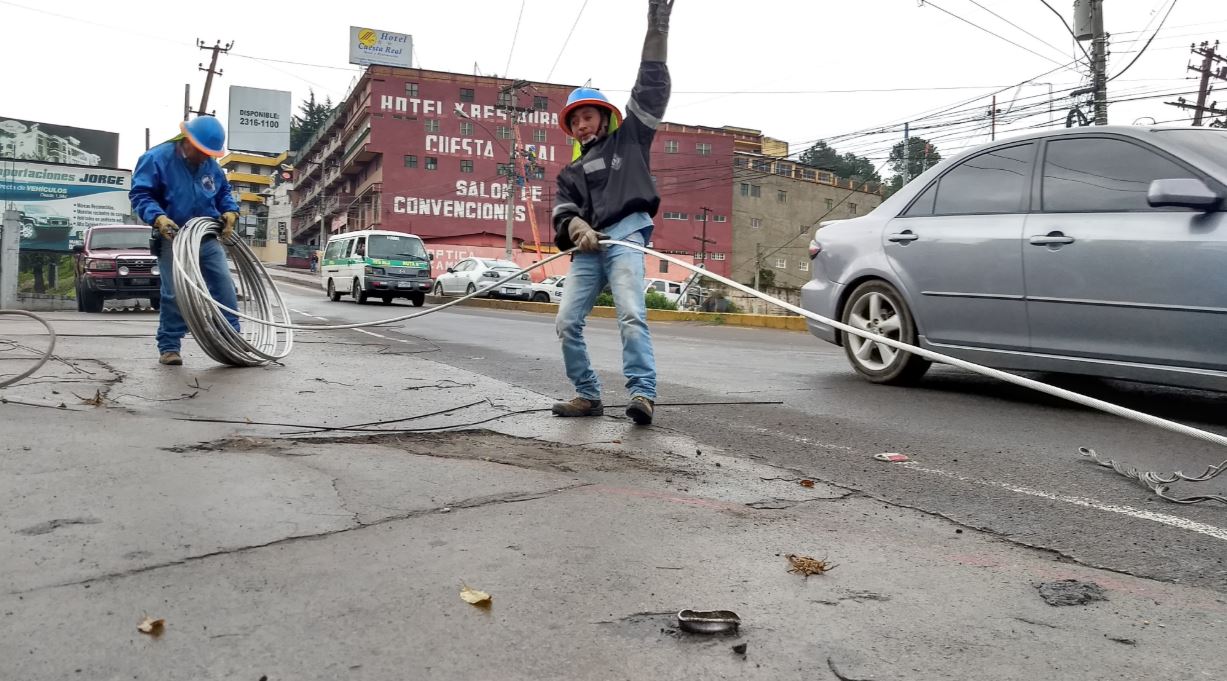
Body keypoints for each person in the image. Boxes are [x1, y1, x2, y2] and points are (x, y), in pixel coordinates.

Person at [551, 0, 674, 426]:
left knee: (630, 314)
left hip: (625, 236)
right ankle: (587, 395)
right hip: (587, 249)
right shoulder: (570, 173)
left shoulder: (632, 141)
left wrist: (657, 26)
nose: (582, 125)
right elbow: (562, 210)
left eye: (588, 116)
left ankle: (643, 393)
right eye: (576, 121)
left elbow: (651, 87)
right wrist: (577, 224)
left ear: (605, 118)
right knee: (567, 321)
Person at [129, 116, 241, 366]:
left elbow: (222, 192)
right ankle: (169, 346)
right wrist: (158, 218)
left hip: (207, 234)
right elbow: (141, 194)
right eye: (202, 151)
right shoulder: (157, 158)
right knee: (175, 293)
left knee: (224, 287)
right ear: (187, 140)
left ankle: (232, 338)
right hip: (174, 235)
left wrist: (231, 211)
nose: (205, 157)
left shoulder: (211, 166)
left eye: (209, 153)